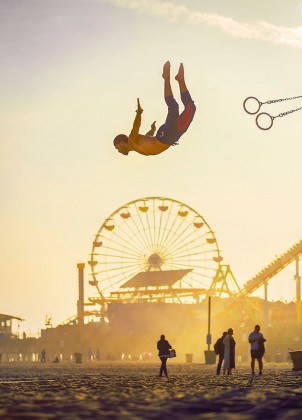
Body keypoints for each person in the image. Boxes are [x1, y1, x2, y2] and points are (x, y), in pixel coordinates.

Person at [114, 61, 196, 156]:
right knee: (191, 108)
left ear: (120, 143)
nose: (118, 151)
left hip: (165, 136)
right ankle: (180, 80)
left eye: (117, 148)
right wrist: (152, 129)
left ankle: (166, 78)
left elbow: (135, 127)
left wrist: (139, 113)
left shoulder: (131, 140)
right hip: (172, 136)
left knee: (173, 106)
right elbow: (148, 136)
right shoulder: (136, 145)